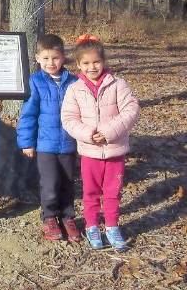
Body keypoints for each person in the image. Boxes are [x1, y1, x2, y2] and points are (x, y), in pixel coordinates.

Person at [61, 34, 140, 251]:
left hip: (115, 150)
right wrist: (89, 133)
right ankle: (92, 226)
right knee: (91, 192)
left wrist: (108, 131)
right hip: (90, 152)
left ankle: (113, 226)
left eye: (96, 62)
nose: (92, 67)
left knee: (113, 191)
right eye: (85, 63)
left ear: (103, 62)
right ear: (78, 65)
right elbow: (68, 118)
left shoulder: (118, 84)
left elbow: (131, 110)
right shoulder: (74, 89)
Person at [17, 34, 81, 242]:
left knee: (67, 182)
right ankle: (50, 217)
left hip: (69, 144)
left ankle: (68, 217)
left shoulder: (74, 82)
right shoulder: (35, 82)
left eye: (55, 58)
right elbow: (28, 114)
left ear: (63, 58)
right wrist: (27, 142)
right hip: (45, 145)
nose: (50, 63)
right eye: (45, 58)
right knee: (50, 183)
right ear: (37, 58)